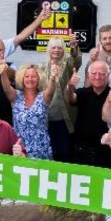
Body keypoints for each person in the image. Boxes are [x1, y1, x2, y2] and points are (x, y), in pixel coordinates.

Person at [66, 60, 111, 168]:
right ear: (88, 75)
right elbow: (71, 99)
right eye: (94, 73)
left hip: (108, 150)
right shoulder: (82, 93)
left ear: (108, 76)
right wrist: (70, 86)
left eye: (102, 74)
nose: (97, 77)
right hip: (82, 148)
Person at [0, 62, 58, 159]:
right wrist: (3, 72)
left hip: (41, 149)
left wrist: (53, 78)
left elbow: (51, 91)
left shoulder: (43, 96)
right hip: (19, 149)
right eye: (27, 76)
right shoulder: (16, 96)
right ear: (22, 78)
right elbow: (6, 87)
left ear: (39, 79)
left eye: (33, 76)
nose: (30, 79)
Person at [43, 33, 83, 163]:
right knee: (50, 152)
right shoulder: (41, 68)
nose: (56, 50)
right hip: (47, 119)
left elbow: (76, 60)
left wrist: (74, 46)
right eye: (53, 47)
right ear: (48, 49)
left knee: (65, 153)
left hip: (64, 119)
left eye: (59, 48)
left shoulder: (67, 64)